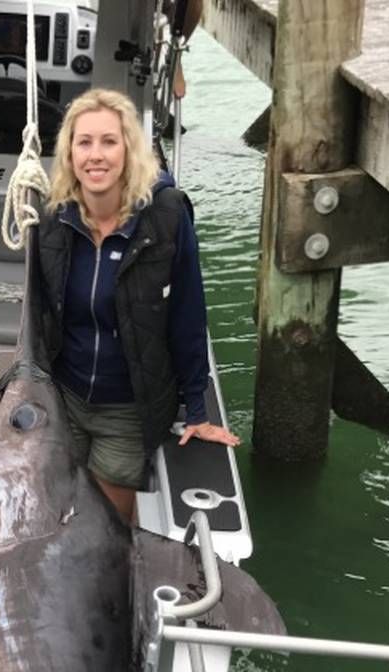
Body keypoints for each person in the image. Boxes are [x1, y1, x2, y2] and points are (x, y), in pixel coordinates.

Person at [37, 88, 238, 524]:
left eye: (109, 141)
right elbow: (39, 314)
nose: (96, 155)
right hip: (65, 398)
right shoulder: (54, 216)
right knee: (60, 513)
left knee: (106, 528)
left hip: (126, 408)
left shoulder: (165, 214)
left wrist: (197, 411)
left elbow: (188, 313)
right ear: (69, 152)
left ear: (129, 148)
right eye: (84, 142)